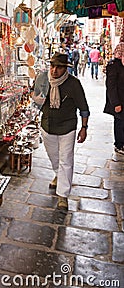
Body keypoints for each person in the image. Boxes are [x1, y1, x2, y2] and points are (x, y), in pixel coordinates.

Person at [40, 52, 90, 210]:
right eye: (52, 66)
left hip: (67, 126)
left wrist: (84, 127)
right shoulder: (42, 79)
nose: (54, 70)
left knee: (66, 160)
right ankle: (58, 175)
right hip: (47, 125)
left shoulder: (73, 83)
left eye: (59, 67)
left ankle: (63, 195)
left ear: (65, 68)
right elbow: (36, 97)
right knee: (54, 157)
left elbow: (83, 107)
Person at [103, 43, 124, 155]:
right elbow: (111, 86)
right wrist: (115, 103)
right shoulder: (113, 65)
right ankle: (119, 145)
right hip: (118, 101)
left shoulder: (122, 64)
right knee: (120, 122)